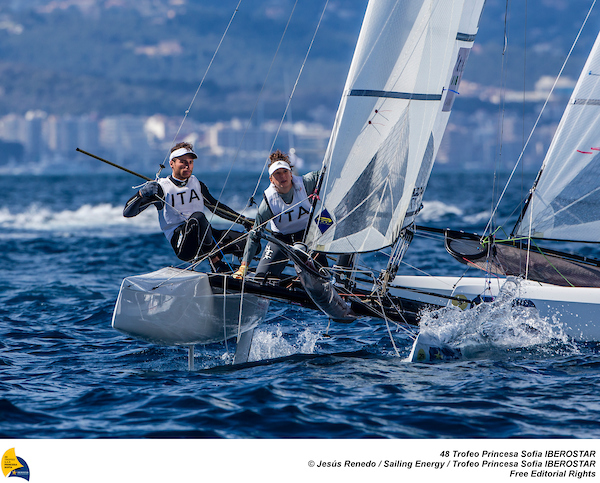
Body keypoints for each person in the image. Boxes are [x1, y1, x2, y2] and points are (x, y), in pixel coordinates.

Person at [123, 142, 251, 271]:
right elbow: (127, 213)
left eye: (190, 162)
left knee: (249, 243)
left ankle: (239, 270)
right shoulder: (161, 188)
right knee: (198, 217)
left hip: (205, 236)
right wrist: (141, 194)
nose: (187, 165)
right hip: (183, 244)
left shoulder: (197, 184)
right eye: (183, 162)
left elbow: (216, 207)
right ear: (171, 163)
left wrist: (244, 220)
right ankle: (216, 263)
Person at [234, 149, 320, 280]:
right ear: (271, 179)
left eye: (285, 172)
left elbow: (330, 173)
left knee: (321, 273)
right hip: (281, 241)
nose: (282, 176)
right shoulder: (268, 202)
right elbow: (255, 235)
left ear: (291, 174)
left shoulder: (307, 182)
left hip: (308, 237)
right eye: (277, 173)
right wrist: (243, 267)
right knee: (261, 278)